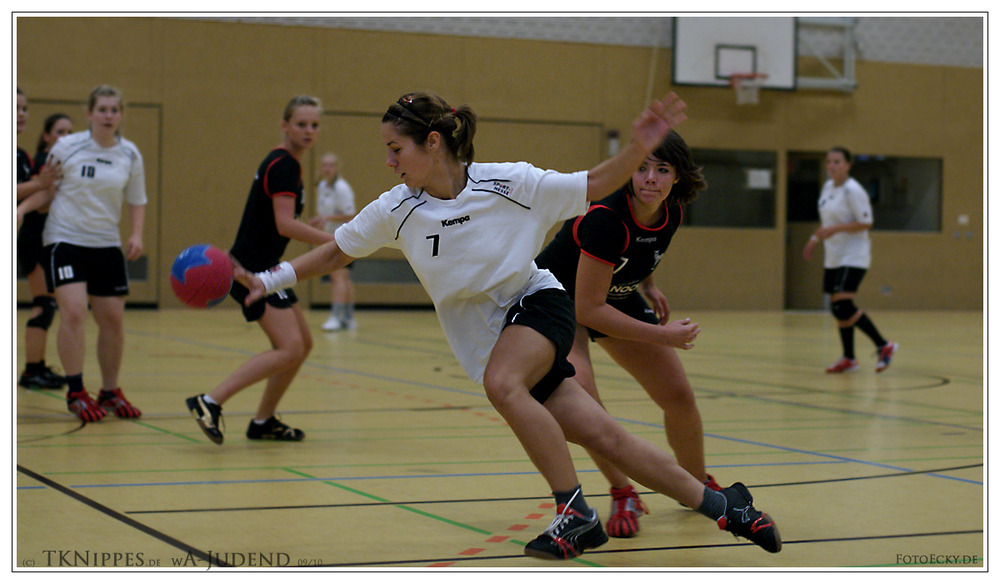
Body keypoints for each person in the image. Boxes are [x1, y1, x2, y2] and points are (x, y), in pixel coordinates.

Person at [234, 91, 781, 559]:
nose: (389, 161)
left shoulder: (510, 183)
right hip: (487, 337)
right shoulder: (394, 208)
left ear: (432, 143)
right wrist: (272, 278)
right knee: (603, 435)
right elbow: (335, 253)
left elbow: (594, 182)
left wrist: (639, 147)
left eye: (395, 149)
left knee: (503, 385)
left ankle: (575, 513)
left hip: (538, 304)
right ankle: (726, 506)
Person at [534, 130, 717, 539]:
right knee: (588, 407)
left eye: (662, 169)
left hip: (611, 294)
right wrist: (662, 336)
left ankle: (695, 486)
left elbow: (641, 248)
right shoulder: (605, 217)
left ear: (677, 177)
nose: (650, 178)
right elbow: (587, 309)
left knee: (678, 396)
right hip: (561, 304)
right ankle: (623, 491)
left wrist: (648, 285)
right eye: (641, 168)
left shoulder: (672, 211)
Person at [185, 96, 335, 445]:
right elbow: (284, 224)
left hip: (268, 268)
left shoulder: (282, 162)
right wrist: (335, 241)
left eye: (314, 125)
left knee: (303, 344)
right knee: (289, 348)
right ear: (285, 126)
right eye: (301, 124)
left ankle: (263, 421)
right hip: (253, 272)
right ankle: (209, 402)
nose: (309, 131)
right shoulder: (284, 165)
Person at [16, 85, 145, 422]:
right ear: (89, 114)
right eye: (102, 109)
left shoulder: (130, 154)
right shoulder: (67, 147)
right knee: (72, 312)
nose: (108, 115)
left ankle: (110, 391)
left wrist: (136, 234)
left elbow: (136, 199)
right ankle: (76, 391)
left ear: (121, 115)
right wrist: (22, 208)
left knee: (113, 320)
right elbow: (48, 190)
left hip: (105, 243)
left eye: (114, 110)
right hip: (65, 239)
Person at [803, 147, 897, 373]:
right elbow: (827, 222)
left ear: (847, 165)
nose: (832, 166)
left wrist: (835, 229)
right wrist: (814, 239)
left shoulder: (853, 190)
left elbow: (865, 223)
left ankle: (884, 345)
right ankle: (849, 358)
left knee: (843, 304)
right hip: (834, 255)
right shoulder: (827, 187)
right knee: (837, 308)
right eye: (829, 162)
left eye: (837, 162)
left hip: (854, 254)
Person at [16, 91, 69, 389]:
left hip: (40, 236)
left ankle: (35, 367)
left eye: (24, 109)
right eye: (15, 109)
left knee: (46, 304)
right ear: (47, 136)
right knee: (43, 304)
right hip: (32, 237)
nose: (22, 114)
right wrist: (38, 186)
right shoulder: (36, 162)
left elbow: (45, 196)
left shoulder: (21, 156)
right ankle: (31, 370)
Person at [308, 152, 357, 331]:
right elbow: (328, 214)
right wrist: (320, 219)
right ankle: (349, 318)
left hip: (343, 238)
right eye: (324, 165)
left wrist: (327, 218)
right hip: (330, 238)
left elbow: (350, 215)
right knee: (344, 277)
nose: (327, 169)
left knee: (338, 277)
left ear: (337, 168)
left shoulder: (342, 188)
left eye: (331, 165)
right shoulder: (322, 186)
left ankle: (336, 317)